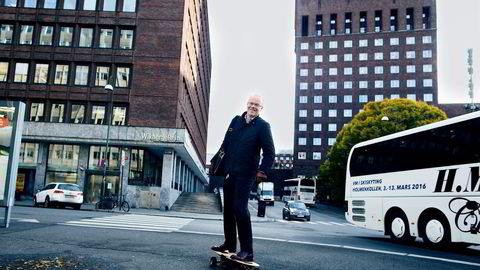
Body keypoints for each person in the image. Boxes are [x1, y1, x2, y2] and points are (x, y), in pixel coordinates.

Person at [211, 94, 275, 262]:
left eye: (257, 105)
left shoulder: (263, 126)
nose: (253, 106)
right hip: (229, 172)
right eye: (251, 103)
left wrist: (262, 171)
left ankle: (247, 251)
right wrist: (218, 163)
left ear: (261, 109)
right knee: (228, 210)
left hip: (246, 175)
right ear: (247, 104)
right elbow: (225, 144)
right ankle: (229, 244)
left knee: (240, 209)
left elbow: (270, 153)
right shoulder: (236, 121)